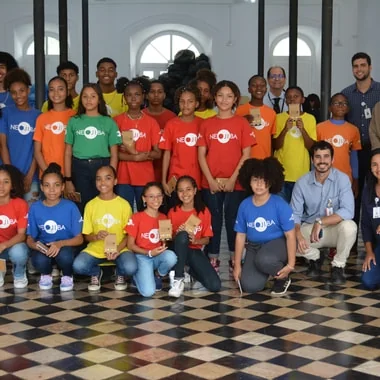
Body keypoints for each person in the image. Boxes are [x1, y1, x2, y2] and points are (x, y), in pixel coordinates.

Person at [198, 80, 256, 274]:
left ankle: (235, 257)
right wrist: (211, 180)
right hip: (210, 182)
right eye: (220, 95)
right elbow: (201, 155)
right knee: (213, 220)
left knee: (234, 220)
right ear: (214, 97)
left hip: (236, 182)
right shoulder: (207, 124)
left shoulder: (241, 123)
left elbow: (246, 154)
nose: (224, 100)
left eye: (229, 96)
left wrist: (233, 179)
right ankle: (213, 257)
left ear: (235, 100)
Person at [291, 141, 357, 285]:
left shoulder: (342, 179)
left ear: (332, 159)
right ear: (312, 160)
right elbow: (294, 215)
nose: (322, 161)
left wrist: (320, 221)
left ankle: (338, 266)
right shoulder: (302, 183)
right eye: (318, 157)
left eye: (326, 156)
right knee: (288, 240)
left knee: (350, 226)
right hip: (310, 230)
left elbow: (348, 210)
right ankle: (315, 257)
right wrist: (298, 235)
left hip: (334, 229)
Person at [233, 157, 296, 295]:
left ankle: (283, 277)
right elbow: (240, 236)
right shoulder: (244, 205)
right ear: (248, 181)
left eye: (264, 180)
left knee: (264, 259)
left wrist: (291, 265)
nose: (259, 184)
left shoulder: (279, 204)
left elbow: (290, 235)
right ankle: (268, 270)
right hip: (254, 247)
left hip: (278, 245)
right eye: (255, 179)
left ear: (271, 182)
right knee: (249, 286)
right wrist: (237, 266)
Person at [73, 165, 137, 292]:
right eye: (99, 179)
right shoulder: (90, 205)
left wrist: (117, 250)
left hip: (120, 249)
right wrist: (96, 236)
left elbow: (129, 234)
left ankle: (120, 273)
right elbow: (87, 235)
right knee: (78, 266)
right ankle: (96, 272)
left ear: (115, 181)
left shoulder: (124, 205)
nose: (103, 182)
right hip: (96, 249)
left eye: (107, 178)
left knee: (131, 267)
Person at [64, 83, 121, 213]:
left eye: (93, 96)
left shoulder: (108, 122)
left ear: (99, 99)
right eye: (85, 96)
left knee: (103, 203)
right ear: (80, 99)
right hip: (79, 168)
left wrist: (110, 175)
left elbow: (114, 154)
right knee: (81, 205)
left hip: (102, 166)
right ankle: (85, 233)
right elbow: (67, 152)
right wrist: (68, 179)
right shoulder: (74, 121)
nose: (89, 100)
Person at [342, 52, 380, 243]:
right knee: (354, 193)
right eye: (356, 66)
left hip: (377, 151)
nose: (359, 69)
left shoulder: (379, 91)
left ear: (370, 67)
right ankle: (351, 241)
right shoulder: (347, 94)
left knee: (376, 192)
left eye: (363, 65)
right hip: (354, 153)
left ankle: (374, 239)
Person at [26, 163, 83, 291]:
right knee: (39, 260)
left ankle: (67, 275)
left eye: (56, 185)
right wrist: (34, 245)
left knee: (65, 256)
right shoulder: (35, 208)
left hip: (66, 246)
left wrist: (60, 244)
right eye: (47, 185)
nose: (52, 190)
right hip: (45, 247)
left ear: (63, 187)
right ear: (41, 187)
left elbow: (79, 239)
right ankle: (46, 274)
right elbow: (30, 238)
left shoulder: (70, 207)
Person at [168, 176, 221, 297]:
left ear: (195, 190)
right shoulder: (173, 212)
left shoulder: (203, 211)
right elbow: (167, 239)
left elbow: (207, 239)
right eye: (181, 190)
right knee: (182, 236)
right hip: (176, 251)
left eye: (188, 189)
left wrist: (195, 240)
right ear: (177, 193)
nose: (185, 193)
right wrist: (178, 235)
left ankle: (190, 270)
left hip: (194, 250)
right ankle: (178, 279)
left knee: (215, 285)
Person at [114, 78, 161, 210]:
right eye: (129, 95)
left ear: (143, 97)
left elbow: (158, 153)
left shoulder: (152, 123)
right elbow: (113, 153)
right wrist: (134, 157)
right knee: (125, 213)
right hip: (123, 177)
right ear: (124, 97)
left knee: (146, 213)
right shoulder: (117, 121)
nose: (133, 98)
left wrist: (138, 153)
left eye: (137, 94)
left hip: (145, 177)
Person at [125, 182, 177, 297]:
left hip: (157, 255)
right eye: (151, 196)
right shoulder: (136, 217)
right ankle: (136, 276)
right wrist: (148, 252)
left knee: (171, 257)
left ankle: (157, 275)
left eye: (159, 195)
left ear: (163, 198)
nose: (156, 199)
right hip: (142, 256)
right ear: (144, 199)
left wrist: (168, 239)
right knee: (148, 292)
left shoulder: (164, 217)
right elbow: (130, 245)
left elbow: (165, 241)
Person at [0, 68, 41, 205]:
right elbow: (3, 145)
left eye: (22, 91)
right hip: (7, 177)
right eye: (13, 92)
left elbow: (38, 149)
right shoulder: (5, 113)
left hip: (32, 177)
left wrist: (30, 176)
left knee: (30, 217)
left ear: (28, 90)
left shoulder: (38, 116)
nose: (18, 95)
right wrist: (10, 174)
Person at [273, 86, 317, 202]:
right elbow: (275, 146)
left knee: (298, 211)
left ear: (302, 99)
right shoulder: (278, 118)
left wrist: (302, 130)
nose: (292, 100)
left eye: (296, 97)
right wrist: (284, 130)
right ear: (285, 100)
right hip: (280, 173)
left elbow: (311, 147)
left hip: (301, 174)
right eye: (289, 97)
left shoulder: (310, 119)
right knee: (281, 210)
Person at [160, 85, 203, 199]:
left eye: (190, 101)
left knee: (195, 214)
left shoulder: (203, 124)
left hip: (198, 179)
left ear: (196, 104)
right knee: (176, 213)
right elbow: (167, 154)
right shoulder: (171, 124)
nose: (186, 105)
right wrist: (164, 180)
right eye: (182, 101)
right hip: (175, 178)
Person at [317, 93, 361, 195]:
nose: (340, 105)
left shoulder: (353, 130)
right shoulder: (319, 128)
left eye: (344, 103)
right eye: (336, 103)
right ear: (329, 108)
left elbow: (354, 157)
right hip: (324, 176)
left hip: (346, 177)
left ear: (348, 109)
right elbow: (315, 155)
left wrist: (356, 179)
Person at [34, 76, 76, 176]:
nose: (56, 93)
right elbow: (37, 151)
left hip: (71, 175)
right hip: (46, 175)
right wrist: (47, 173)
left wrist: (68, 176)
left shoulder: (75, 117)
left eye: (60, 89)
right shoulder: (42, 118)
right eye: (52, 90)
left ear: (67, 92)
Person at [0, 164, 29, 288]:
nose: (1, 186)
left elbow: (22, 235)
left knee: (19, 252)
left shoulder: (20, 204)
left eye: (6, 182)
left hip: (13, 246)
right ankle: (1, 270)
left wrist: (4, 245)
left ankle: (19, 273)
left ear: (12, 185)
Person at [142, 80, 176, 182]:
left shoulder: (172, 117)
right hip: (144, 167)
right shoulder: (140, 116)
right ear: (147, 95)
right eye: (152, 92)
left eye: (159, 92)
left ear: (164, 95)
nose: (156, 95)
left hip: (167, 168)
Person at [236, 75, 277, 159]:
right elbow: (234, 135)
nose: (259, 88)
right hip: (245, 159)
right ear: (249, 89)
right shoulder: (240, 110)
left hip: (265, 160)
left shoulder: (272, 113)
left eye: (262, 85)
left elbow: (272, 141)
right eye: (254, 85)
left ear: (266, 89)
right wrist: (242, 121)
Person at [361, 148, 380, 289]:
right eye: (374, 164)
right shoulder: (368, 190)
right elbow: (366, 225)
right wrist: (369, 252)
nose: (378, 168)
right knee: (368, 281)